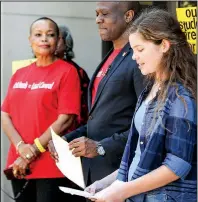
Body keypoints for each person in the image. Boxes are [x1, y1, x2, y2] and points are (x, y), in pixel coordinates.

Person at [86, 8, 197, 202]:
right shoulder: (149, 90)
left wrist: (122, 191)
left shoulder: (180, 96)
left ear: (164, 45)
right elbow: (137, 155)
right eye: (133, 50)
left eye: (140, 49)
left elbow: (177, 165)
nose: (134, 56)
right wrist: (107, 184)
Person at [49, 1, 145, 189]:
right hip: (94, 174)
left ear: (128, 16)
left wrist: (101, 147)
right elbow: (97, 121)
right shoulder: (110, 57)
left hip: (121, 173)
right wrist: (66, 139)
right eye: (96, 14)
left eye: (105, 14)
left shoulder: (139, 59)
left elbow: (146, 126)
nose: (98, 20)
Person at [1, 17, 82, 202]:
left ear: (58, 40)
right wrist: (21, 148)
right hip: (19, 163)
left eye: (50, 35)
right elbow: (5, 114)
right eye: (38, 35)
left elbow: (66, 119)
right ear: (30, 40)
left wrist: (33, 151)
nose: (44, 39)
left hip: (51, 164)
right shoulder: (20, 73)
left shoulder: (67, 71)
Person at [55, 25, 90, 126]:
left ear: (67, 42)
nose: (52, 41)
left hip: (68, 130)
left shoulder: (76, 71)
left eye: (58, 38)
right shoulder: (32, 68)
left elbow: (84, 107)